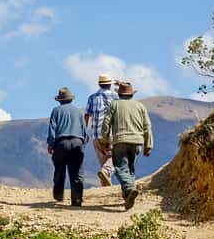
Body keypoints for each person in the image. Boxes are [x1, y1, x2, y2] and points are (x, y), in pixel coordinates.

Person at [99, 82, 153, 210]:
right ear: (131, 94)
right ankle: (127, 196)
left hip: (120, 141)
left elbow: (106, 123)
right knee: (130, 169)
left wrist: (105, 139)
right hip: (136, 142)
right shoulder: (140, 106)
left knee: (119, 168)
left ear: (119, 94)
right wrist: (148, 145)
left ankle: (130, 188)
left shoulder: (115, 104)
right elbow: (147, 126)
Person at [47, 87, 88, 206]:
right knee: (77, 172)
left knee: (59, 170)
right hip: (77, 142)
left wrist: (50, 144)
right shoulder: (78, 111)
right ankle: (77, 199)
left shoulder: (56, 111)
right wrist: (82, 142)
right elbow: (84, 131)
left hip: (61, 143)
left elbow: (52, 128)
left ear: (59, 100)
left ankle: (59, 195)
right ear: (71, 99)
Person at [84, 73, 119, 186]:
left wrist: (85, 131)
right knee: (115, 158)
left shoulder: (92, 97)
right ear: (109, 85)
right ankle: (105, 173)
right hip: (110, 134)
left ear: (99, 84)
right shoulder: (114, 96)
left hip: (96, 135)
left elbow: (87, 115)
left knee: (104, 161)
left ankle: (105, 186)